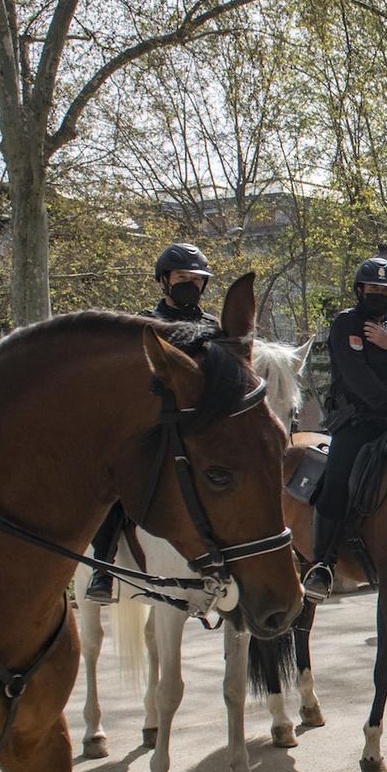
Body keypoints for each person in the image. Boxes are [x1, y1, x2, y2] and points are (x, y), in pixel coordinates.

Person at [84, 240, 220, 600]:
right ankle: (102, 568)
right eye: (181, 277)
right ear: (164, 280)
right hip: (157, 425)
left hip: (203, 428)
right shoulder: (146, 325)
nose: (190, 284)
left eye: (196, 278)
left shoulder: (215, 328)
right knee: (116, 486)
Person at [301, 255, 387, 599]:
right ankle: (322, 564)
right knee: (336, 481)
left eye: (385, 289)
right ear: (360, 290)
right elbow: (359, 379)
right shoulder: (347, 324)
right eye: (372, 287)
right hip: (360, 419)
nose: (378, 293)